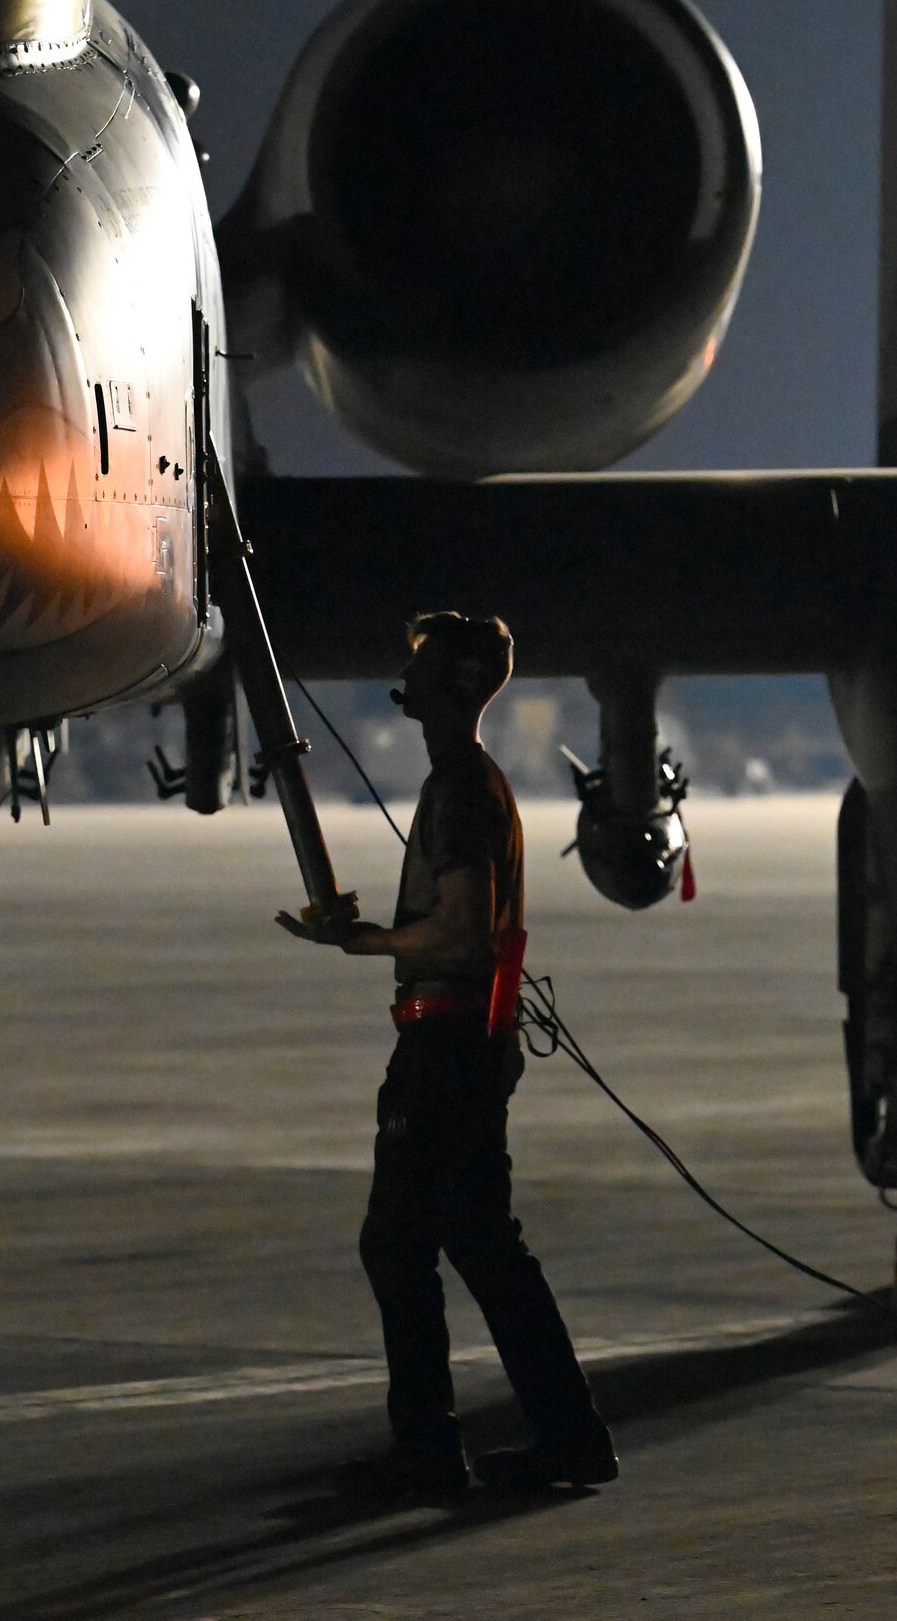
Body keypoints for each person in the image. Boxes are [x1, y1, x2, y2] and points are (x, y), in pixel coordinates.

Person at [277, 610, 617, 1499]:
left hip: (446, 1042)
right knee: (483, 1244)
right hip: (474, 1040)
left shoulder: (462, 787)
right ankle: (571, 1437)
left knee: (397, 1243)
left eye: (425, 663)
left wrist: (366, 943)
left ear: (456, 686)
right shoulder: (464, 782)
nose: (409, 674)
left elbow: (463, 926)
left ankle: (428, 1450)